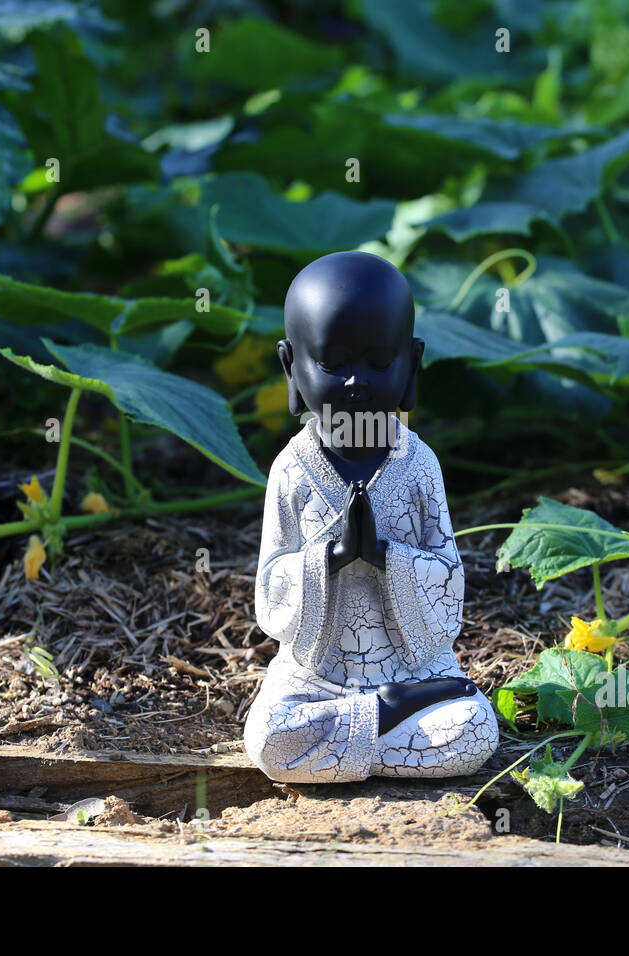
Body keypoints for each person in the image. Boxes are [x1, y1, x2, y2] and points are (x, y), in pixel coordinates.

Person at [243, 251, 499, 783]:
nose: (356, 382)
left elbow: (450, 578)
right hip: (317, 675)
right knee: (268, 737)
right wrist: (329, 560)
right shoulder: (291, 471)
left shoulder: (419, 465)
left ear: (412, 363)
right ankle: (392, 711)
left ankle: (350, 740)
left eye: (378, 363)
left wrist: (387, 558)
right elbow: (269, 593)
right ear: (292, 365)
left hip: (410, 661)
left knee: (473, 729)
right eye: (334, 364)